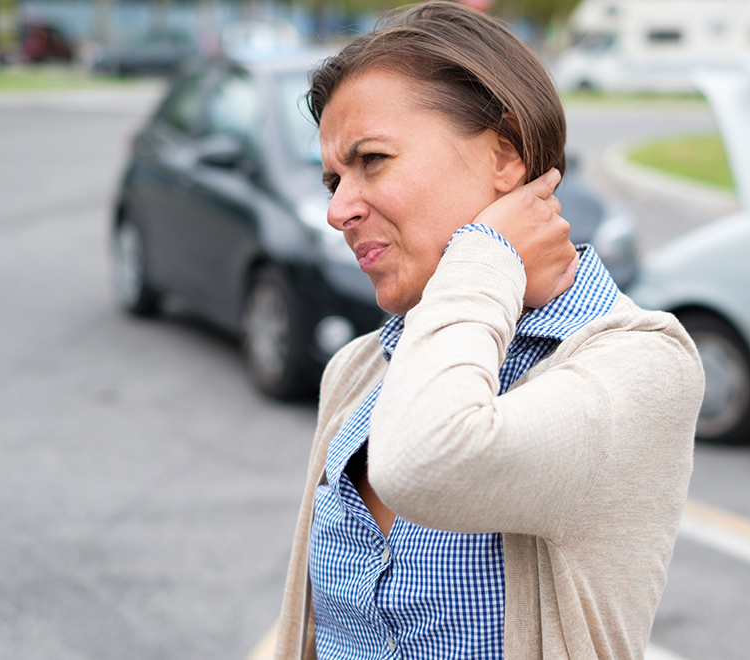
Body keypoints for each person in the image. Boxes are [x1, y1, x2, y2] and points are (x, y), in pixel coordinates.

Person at [274, 3, 704, 659]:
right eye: (333, 179)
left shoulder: (641, 363)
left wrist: (488, 252)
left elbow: (427, 462)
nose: (337, 210)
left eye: (372, 160)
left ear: (504, 153)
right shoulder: (359, 370)